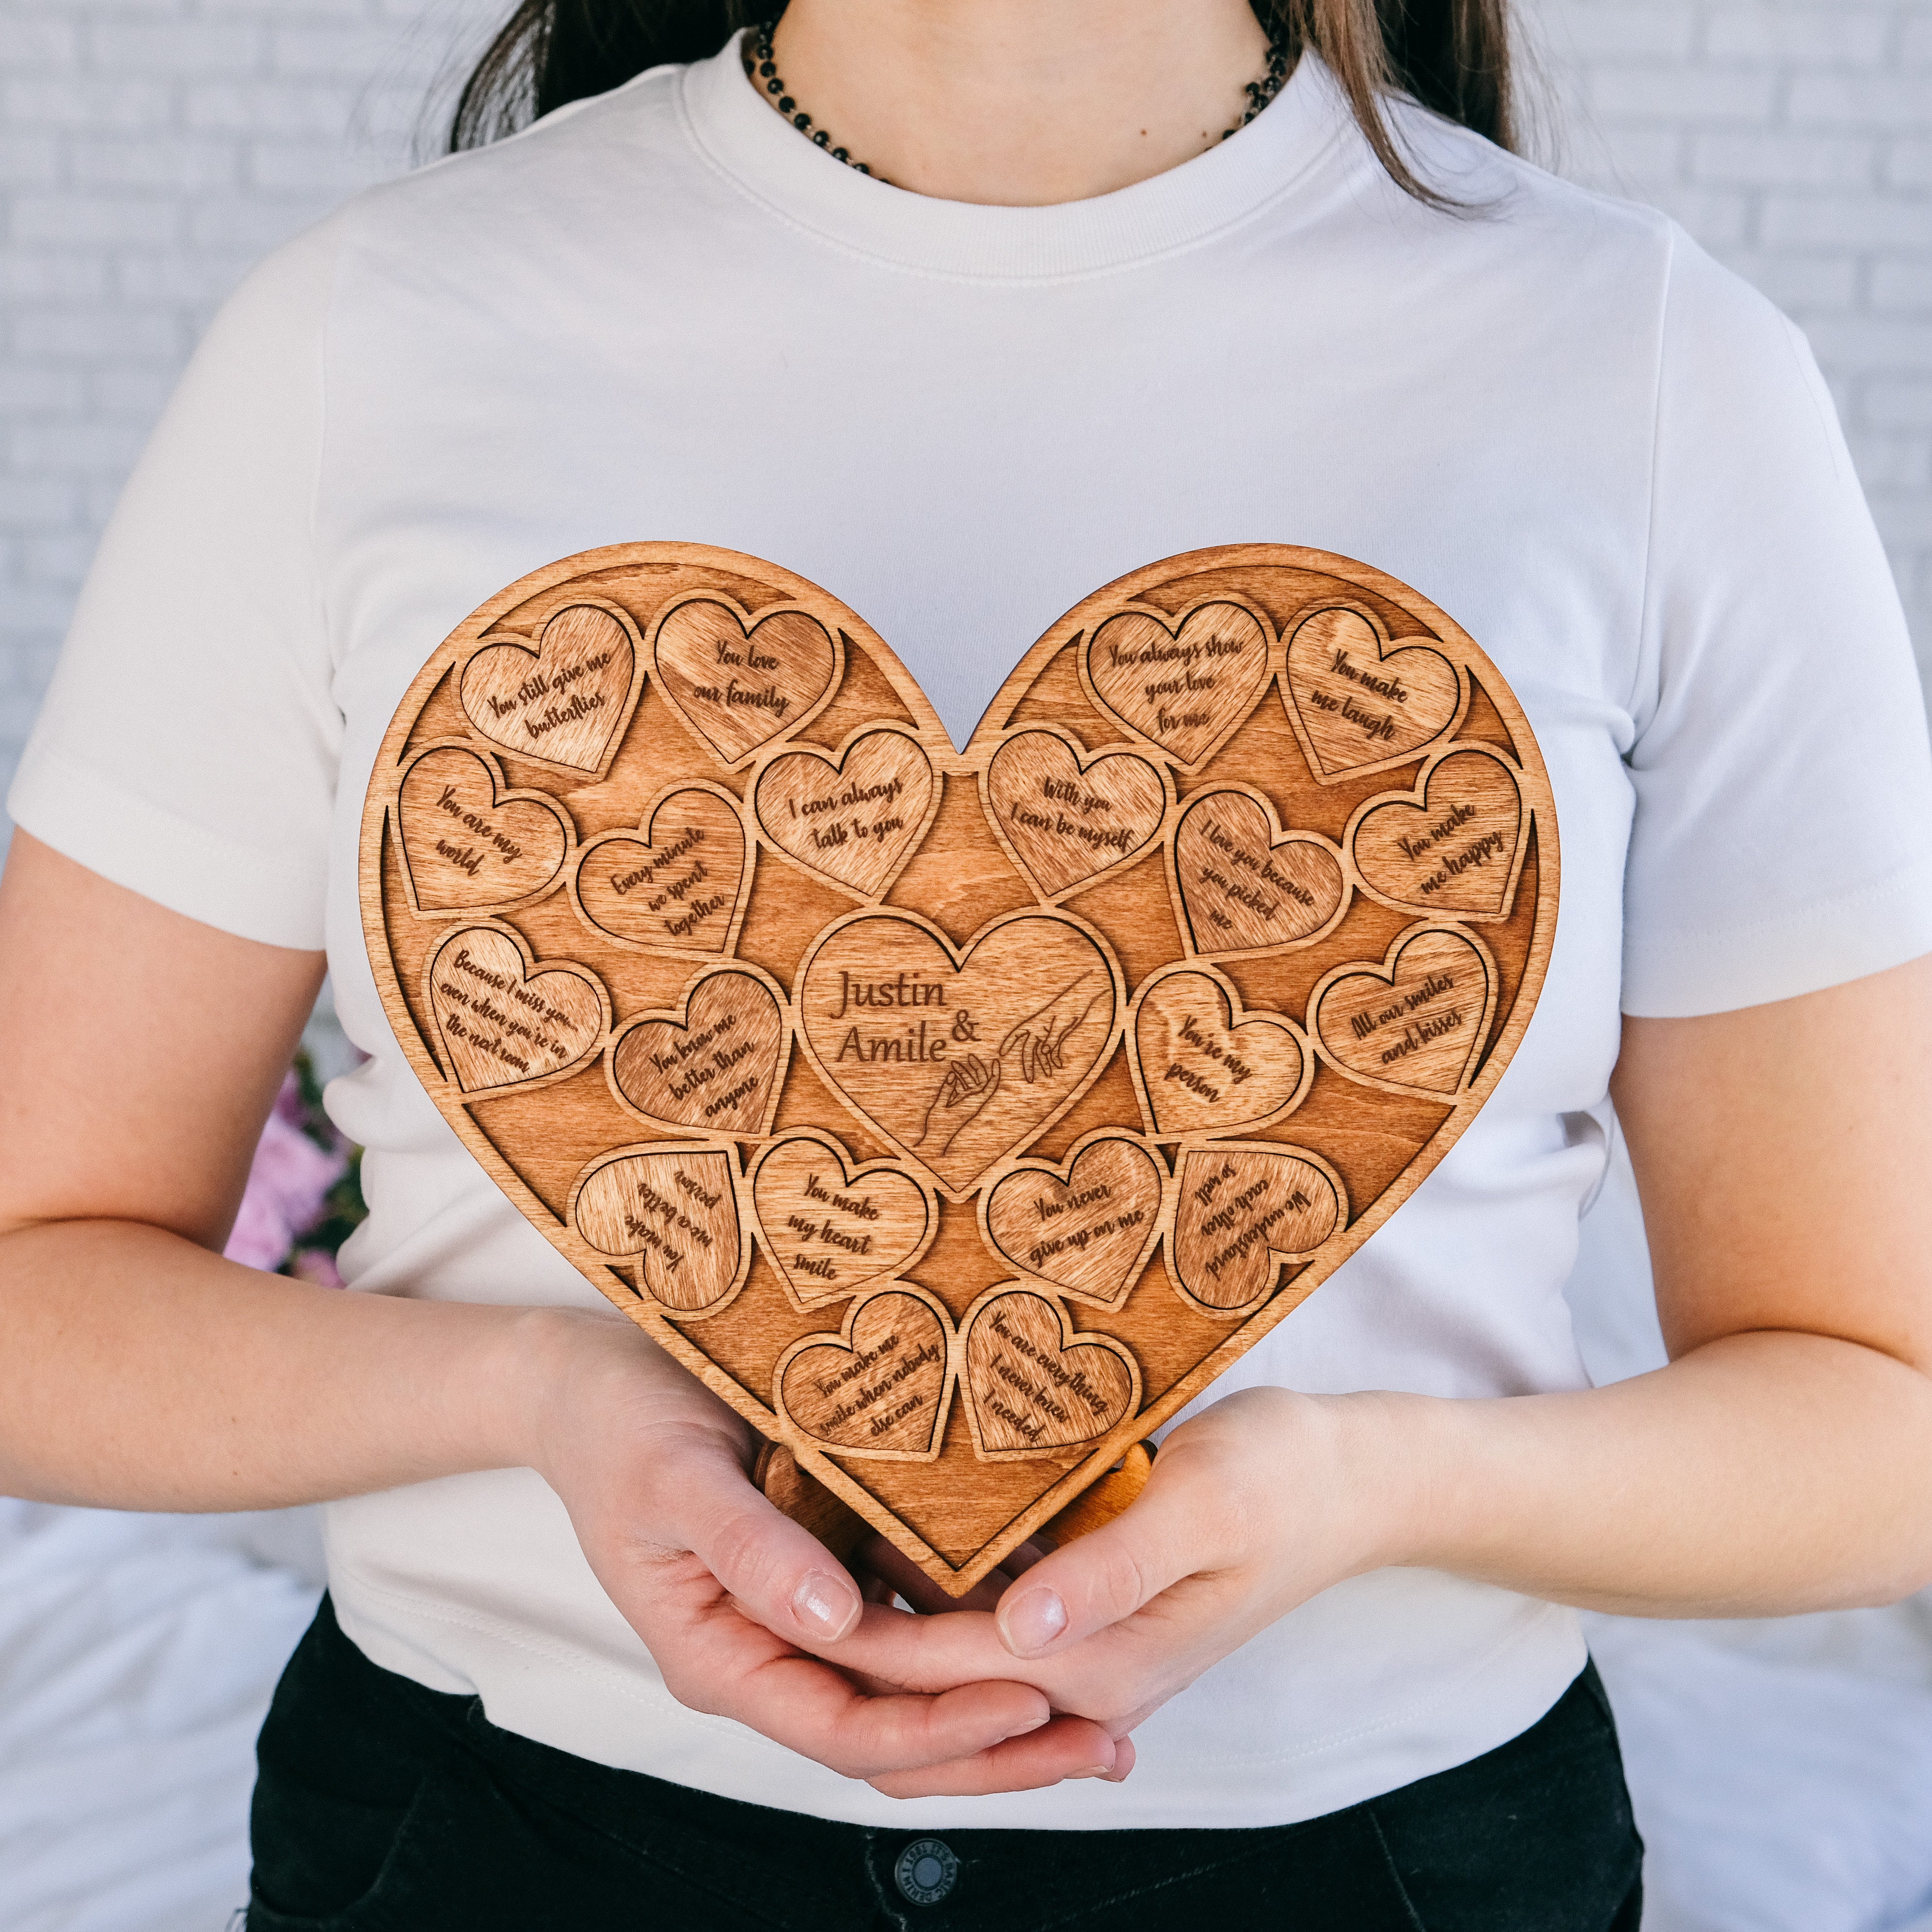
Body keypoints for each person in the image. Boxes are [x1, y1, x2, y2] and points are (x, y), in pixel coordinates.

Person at [4, 0, 1931, 1925]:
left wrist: (1365, 1490)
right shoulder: (370, 333)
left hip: (1377, 1861)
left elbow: (1879, 1421)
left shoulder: (1649, 365)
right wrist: (541, 1393)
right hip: (506, 1838)